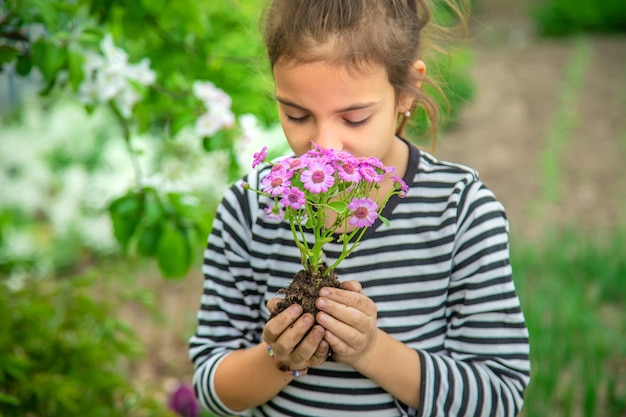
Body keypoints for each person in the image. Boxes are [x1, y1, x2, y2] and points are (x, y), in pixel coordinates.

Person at [188, 1, 531, 416]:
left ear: (405, 91)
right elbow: (211, 387)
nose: (325, 146)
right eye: (297, 115)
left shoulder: (459, 212)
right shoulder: (250, 208)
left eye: (354, 119)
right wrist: (280, 358)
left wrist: (371, 350)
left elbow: (499, 397)